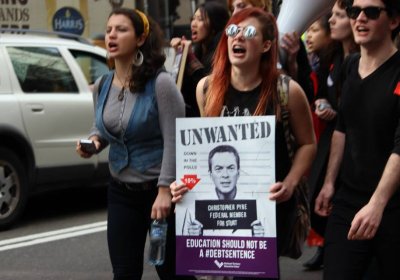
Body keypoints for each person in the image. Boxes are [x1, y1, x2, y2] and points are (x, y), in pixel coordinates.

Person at [171, 7, 316, 279]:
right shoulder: (206, 88)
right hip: (218, 211)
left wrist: (290, 182)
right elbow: (204, 155)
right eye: (232, 31)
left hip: (266, 209)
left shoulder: (286, 91)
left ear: (266, 45)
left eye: (248, 32)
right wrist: (184, 184)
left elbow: (308, 143)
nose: (237, 37)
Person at [76, 8, 195, 280]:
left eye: (121, 29)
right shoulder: (103, 84)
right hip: (121, 192)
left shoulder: (161, 84)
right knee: (125, 272)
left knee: (174, 273)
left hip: (162, 193)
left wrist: (165, 190)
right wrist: (93, 142)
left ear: (140, 39)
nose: (112, 35)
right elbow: (103, 128)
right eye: (108, 30)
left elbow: (175, 139)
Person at [314, 0, 400, 279]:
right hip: (348, 201)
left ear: (394, 21)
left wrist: (377, 205)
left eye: (372, 12)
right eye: (354, 11)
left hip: (392, 205)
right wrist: (329, 183)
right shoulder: (350, 65)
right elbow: (342, 127)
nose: (360, 18)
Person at [304, 0, 360, 270]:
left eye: (340, 15)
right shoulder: (334, 60)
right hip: (334, 143)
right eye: (334, 15)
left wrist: (336, 113)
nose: (333, 21)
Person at [227, 0, 315, 103]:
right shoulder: (229, 39)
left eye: (241, 6)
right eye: (233, 9)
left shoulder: (291, 41)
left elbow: (307, 96)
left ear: (261, 7)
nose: (235, 14)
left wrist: (292, 64)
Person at [180, 144, 267, 237]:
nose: (225, 175)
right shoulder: (194, 209)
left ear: (238, 172)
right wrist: (193, 239)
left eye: (230, 168)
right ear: (210, 174)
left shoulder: (257, 208)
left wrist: (259, 239)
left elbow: (269, 248)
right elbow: (184, 249)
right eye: (219, 169)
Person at [170, 2, 230, 117]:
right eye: (193, 19)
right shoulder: (199, 50)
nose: (193, 24)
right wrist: (180, 56)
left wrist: (190, 57)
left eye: (200, 19)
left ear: (214, 25)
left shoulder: (222, 54)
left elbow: (206, 88)